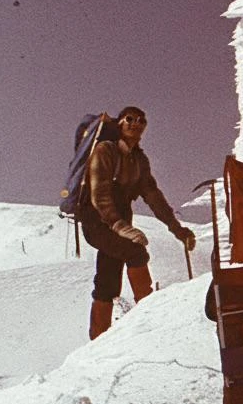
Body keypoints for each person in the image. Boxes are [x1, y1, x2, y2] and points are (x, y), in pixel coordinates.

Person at [79, 106, 197, 340]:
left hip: (119, 221)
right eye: (129, 119)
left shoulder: (139, 161)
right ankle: (149, 316)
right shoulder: (105, 150)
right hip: (97, 221)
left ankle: (97, 341)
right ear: (119, 124)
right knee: (136, 253)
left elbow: (154, 197)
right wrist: (120, 226)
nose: (136, 123)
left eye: (141, 120)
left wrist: (177, 229)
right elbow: (99, 194)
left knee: (107, 281)